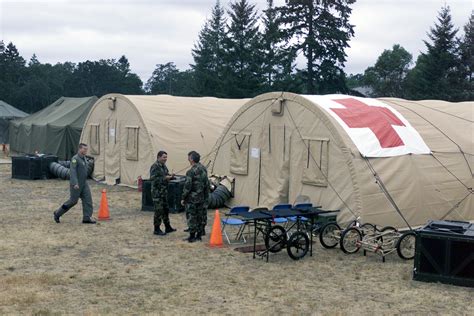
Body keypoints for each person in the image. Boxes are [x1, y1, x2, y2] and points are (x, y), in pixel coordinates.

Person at [53, 143, 96, 224]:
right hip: (76, 184)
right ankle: (57, 213)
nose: (86, 151)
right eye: (84, 149)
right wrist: (75, 183)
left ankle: (87, 217)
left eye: (86, 149)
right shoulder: (75, 159)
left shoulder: (84, 158)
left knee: (88, 200)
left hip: (84, 183)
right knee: (73, 201)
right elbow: (73, 172)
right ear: (80, 149)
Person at [181, 151, 210, 243]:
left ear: (192, 159)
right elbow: (207, 184)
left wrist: (183, 197)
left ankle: (192, 236)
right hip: (201, 197)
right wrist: (206, 196)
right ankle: (199, 235)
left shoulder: (190, 171)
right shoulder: (203, 169)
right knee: (200, 216)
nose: (188, 159)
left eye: (189, 158)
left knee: (191, 217)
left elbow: (187, 186)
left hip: (192, 199)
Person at [150, 150, 176, 236]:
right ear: (159, 157)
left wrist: (171, 176)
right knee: (158, 211)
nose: (165, 159)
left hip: (164, 192)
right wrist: (165, 178)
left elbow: (166, 174)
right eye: (164, 157)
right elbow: (153, 179)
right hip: (157, 193)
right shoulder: (155, 166)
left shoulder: (163, 166)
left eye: (166, 157)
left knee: (165, 209)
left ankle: (167, 227)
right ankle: (156, 229)